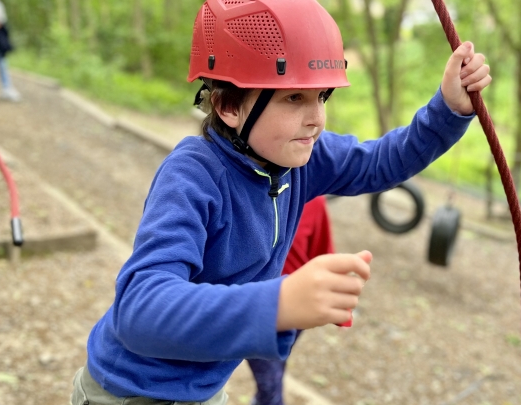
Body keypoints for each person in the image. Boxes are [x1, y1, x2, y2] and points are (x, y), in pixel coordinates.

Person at [70, 0, 491, 403]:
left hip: (203, 390)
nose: (317, 119)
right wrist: (280, 302)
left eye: (322, 96)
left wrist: (448, 110)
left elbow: (378, 162)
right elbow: (139, 309)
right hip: (130, 395)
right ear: (228, 105)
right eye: (294, 98)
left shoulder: (297, 159)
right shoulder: (193, 176)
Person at [247, 195, 338, 405]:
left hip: (296, 314)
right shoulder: (244, 195)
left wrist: (336, 303)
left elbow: (322, 251)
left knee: (277, 368)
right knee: (270, 385)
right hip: (258, 311)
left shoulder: (314, 201)